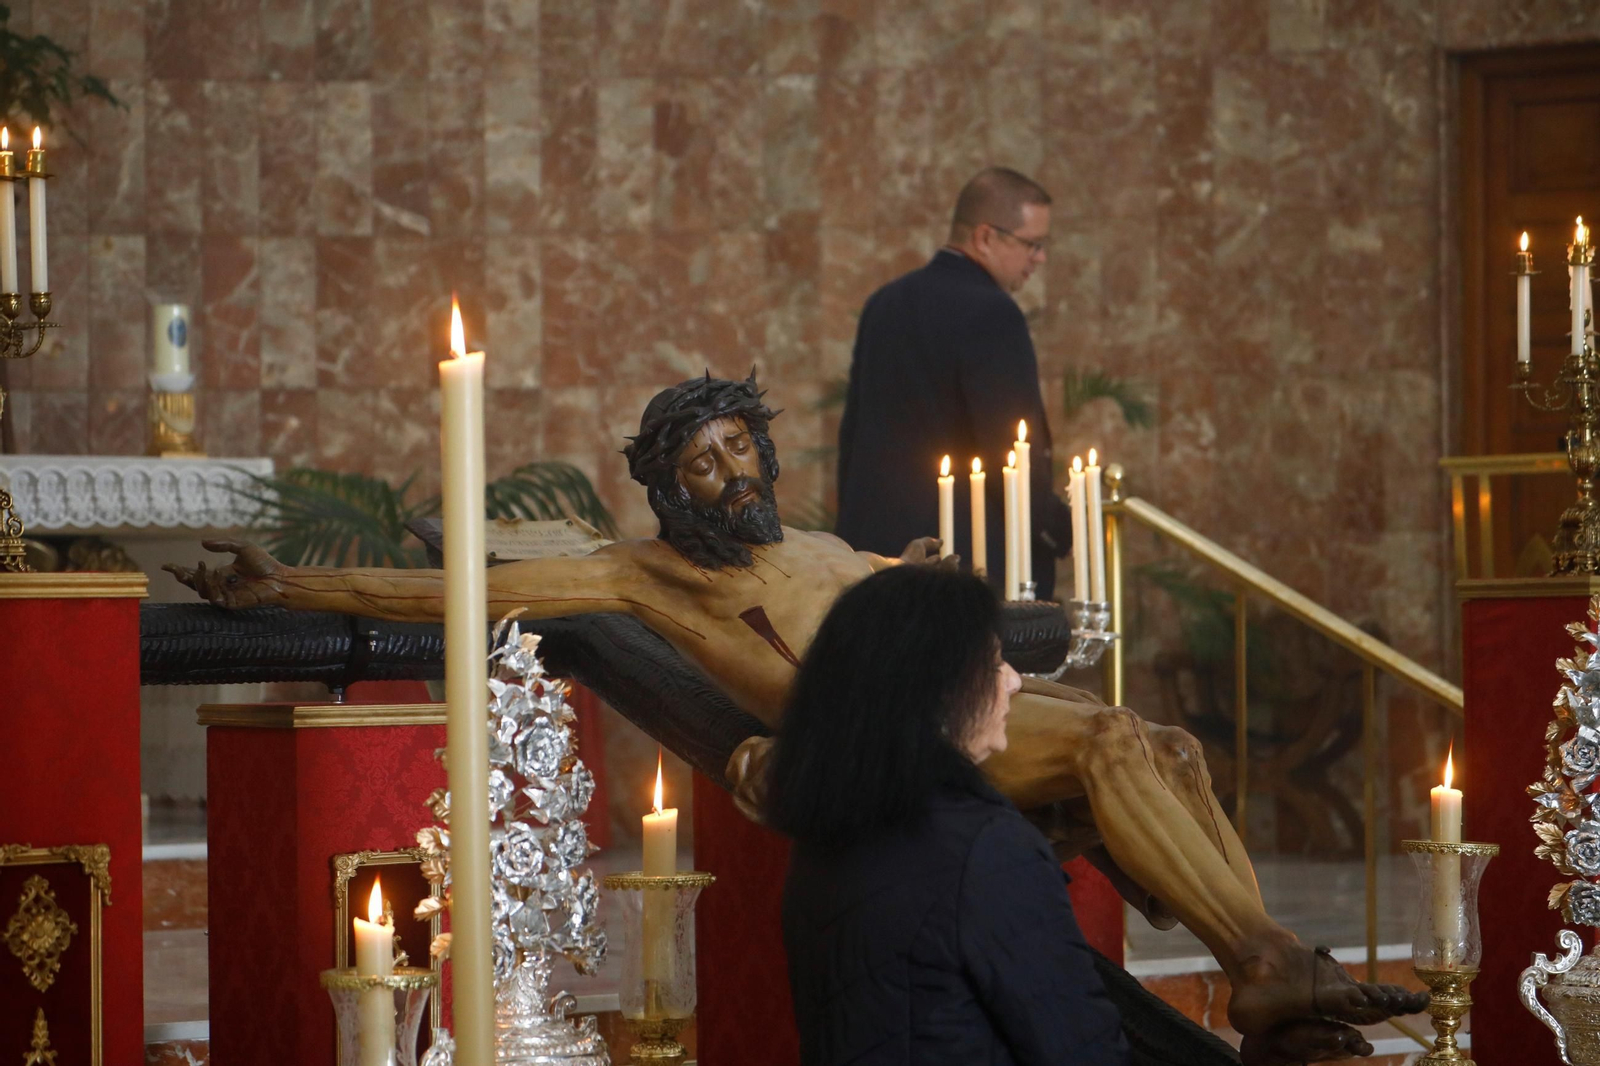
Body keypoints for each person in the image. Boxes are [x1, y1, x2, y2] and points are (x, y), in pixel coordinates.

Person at [168, 373, 1421, 1063]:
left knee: (1164, 742)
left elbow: (881, 588)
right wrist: (286, 585)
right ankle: (1265, 965)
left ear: (762, 451)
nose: (726, 477)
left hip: (943, 698)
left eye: (734, 450)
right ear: (666, 490)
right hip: (892, 738)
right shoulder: (642, 574)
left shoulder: (818, 540)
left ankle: (1265, 965)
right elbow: (464, 589)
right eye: (697, 467)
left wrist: (918, 565)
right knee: (1101, 741)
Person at [769, 564, 1128, 1065]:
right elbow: (1080, 1049)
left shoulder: (826, 833)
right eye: (994, 662)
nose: (1014, 681)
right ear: (935, 690)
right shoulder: (986, 848)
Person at [836, 167, 1074, 599]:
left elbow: (854, 436)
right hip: (959, 568)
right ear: (985, 237)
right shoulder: (993, 313)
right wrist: (1058, 528)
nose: (1039, 258)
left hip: (875, 560)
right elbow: (1011, 452)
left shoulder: (884, 302)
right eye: (1032, 244)